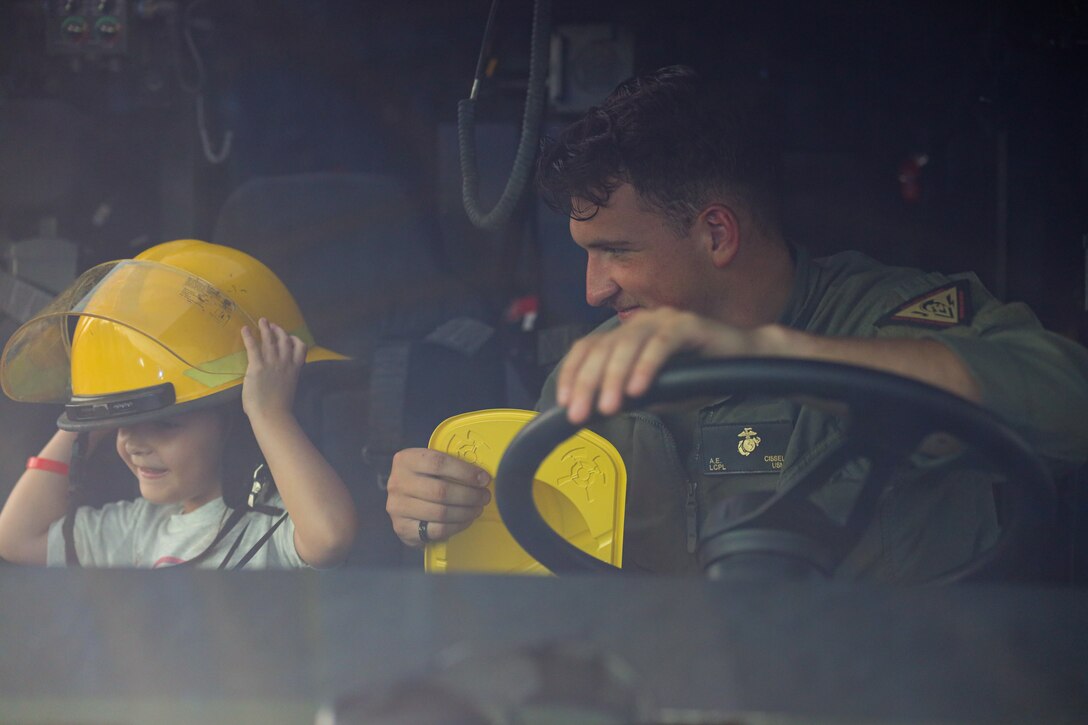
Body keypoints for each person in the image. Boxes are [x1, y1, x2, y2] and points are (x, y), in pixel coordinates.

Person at [385, 65, 1088, 580]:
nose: (594, 289)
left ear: (716, 233)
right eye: (587, 255)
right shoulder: (591, 373)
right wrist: (442, 505)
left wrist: (776, 354)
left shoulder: (891, 316)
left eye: (617, 251)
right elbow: (537, 574)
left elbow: (1070, 404)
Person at [0, 239, 358, 569]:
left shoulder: (269, 524)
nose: (135, 444)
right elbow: (15, 537)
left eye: (165, 423)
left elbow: (329, 537)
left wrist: (270, 413)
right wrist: (96, 409)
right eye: (124, 426)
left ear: (239, 420)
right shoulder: (138, 529)